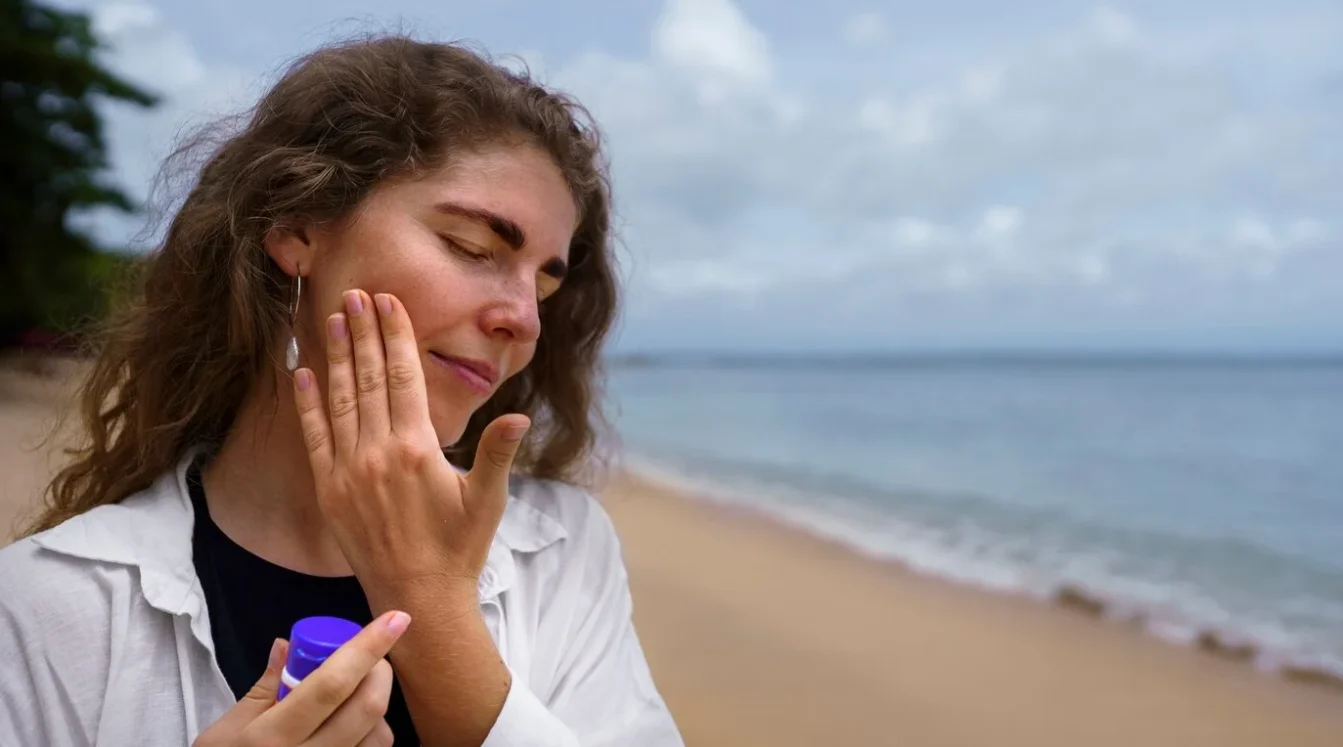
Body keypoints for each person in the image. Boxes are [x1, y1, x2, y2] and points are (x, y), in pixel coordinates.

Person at [0, 35, 684, 746]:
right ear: (297, 229)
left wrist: (426, 596)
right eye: (472, 248)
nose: (524, 320)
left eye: (543, 286)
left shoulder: (564, 553)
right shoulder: (45, 603)